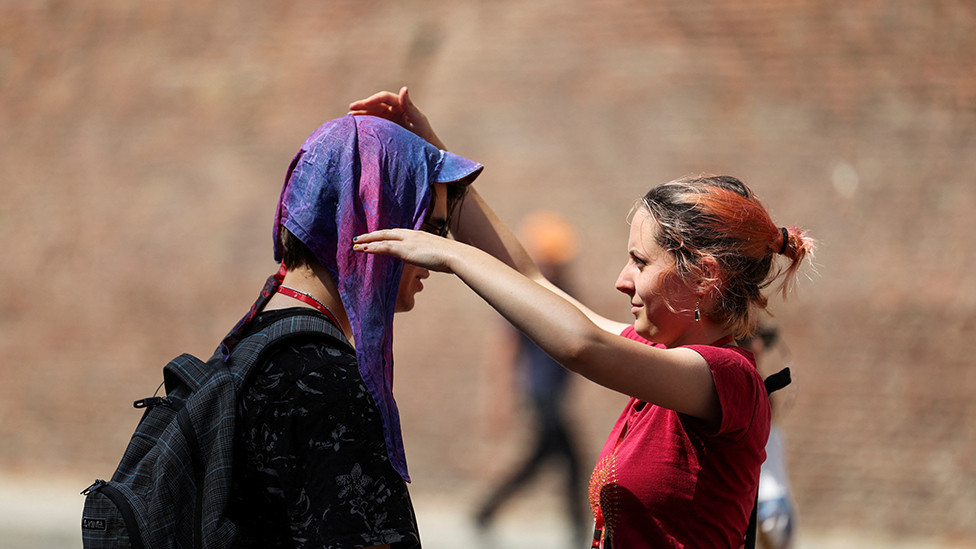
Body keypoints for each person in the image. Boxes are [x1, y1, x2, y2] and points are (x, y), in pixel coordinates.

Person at [348, 87, 815, 548]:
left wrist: (451, 255)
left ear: (703, 278)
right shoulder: (664, 359)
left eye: (641, 261)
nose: (622, 280)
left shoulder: (729, 377)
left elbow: (582, 347)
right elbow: (531, 279)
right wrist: (438, 162)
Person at [223, 113, 482, 548]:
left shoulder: (247, 346)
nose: (441, 254)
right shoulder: (329, 387)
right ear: (377, 218)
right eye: (433, 229)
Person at [473, 211, 587, 544]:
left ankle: (486, 510)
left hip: (552, 394)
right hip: (541, 394)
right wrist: (498, 400)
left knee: (542, 459)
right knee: (571, 462)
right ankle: (578, 530)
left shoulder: (564, 291)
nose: (557, 267)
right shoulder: (529, 295)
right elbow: (505, 349)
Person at [738, 324, 798, 549]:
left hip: (768, 501)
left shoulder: (756, 389)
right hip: (765, 501)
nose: (758, 345)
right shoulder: (750, 387)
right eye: (750, 339)